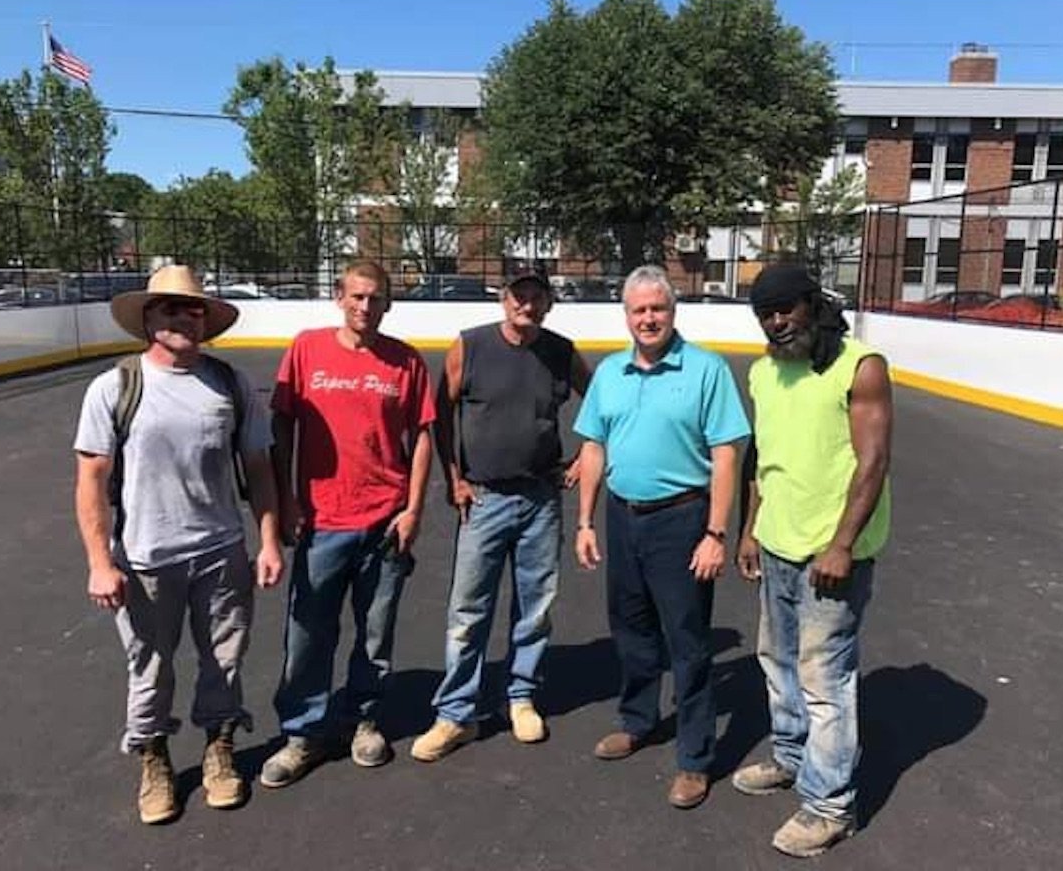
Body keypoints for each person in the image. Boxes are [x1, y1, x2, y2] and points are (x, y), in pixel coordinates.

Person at [73, 265, 284, 825]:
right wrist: (99, 562)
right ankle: (154, 760)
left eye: (194, 310)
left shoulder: (230, 385)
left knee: (224, 661)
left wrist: (267, 541)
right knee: (150, 668)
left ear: (207, 321)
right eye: (169, 309)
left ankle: (219, 749)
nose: (183, 318)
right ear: (147, 319)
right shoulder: (115, 388)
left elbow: (259, 470)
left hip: (220, 551)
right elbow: (91, 480)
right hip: (145, 560)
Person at [573, 265, 750, 810]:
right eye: (639, 310)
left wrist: (716, 532)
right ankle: (637, 719)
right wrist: (584, 521)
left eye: (658, 309)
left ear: (674, 312)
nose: (648, 318)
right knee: (631, 627)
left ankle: (695, 758)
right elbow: (593, 448)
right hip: (624, 518)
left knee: (687, 639)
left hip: (683, 520)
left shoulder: (705, 370)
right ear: (625, 316)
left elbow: (726, 454)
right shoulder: (609, 372)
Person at [734, 264, 892, 858]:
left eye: (786, 310)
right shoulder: (765, 373)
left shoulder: (860, 366)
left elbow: (873, 460)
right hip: (777, 541)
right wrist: (750, 532)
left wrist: (843, 543)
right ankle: (792, 758)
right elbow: (763, 459)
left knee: (825, 679)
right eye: (766, 315)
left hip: (832, 556)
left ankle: (830, 805)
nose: (777, 324)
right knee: (776, 660)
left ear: (811, 304)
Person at [261, 261, 435, 787]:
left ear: (388, 304)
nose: (365, 307)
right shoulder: (306, 349)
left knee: (375, 633)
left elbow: (423, 436)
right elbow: (281, 423)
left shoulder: (405, 362)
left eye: (375, 299)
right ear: (339, 297)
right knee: (308, 632)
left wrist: (414, 509)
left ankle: (363, 718)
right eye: (357, 296)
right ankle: (302, 732)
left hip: (385, 521)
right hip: (321, 519)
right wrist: (290, 500)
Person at [410, 270, 592, 762]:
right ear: (503, 299)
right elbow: (437, 416)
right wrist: (455, 479)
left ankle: (521, 696)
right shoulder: (469, 347)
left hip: (540, 498)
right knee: (467, 611)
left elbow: (602, 404)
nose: (527, 305)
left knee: (535, 605)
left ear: (549, 303)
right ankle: (455, 713)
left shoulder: (559, 351)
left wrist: (581, 461)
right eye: (519, 296)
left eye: (537, 297)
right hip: (483, 499)